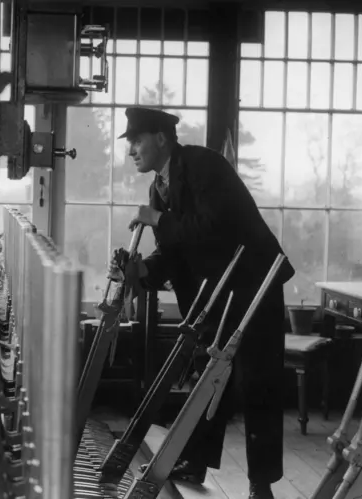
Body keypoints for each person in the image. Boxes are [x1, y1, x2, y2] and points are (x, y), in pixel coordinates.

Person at [111, 107, 295, 499]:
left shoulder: (203, 165)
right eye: (129, 143)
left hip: (253, 285)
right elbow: (176, 251)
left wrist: (157, 220)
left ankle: (261, 484)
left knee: (257, 384)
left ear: (162, 137)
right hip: (215, 293)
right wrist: (141, 271)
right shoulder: (157, 188)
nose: (131, 151)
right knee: (207, 381)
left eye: (136, 140)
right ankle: (194, 462)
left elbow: (214, 227)